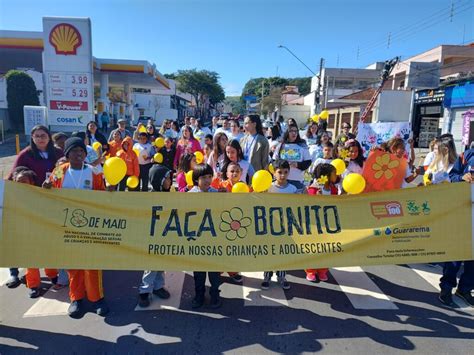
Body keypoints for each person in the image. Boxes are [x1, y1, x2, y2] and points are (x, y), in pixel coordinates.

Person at [44, 137, 109, 317]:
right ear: (67, 154)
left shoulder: (94, 172)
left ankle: (97, 299)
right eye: (74, 151)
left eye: (81, 151)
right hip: (67, 227)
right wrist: (46, 187)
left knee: (92, 264)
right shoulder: (59, 171)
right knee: (73, 265)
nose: (79, 154)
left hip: (90, 227)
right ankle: (76, 298)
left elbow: (103, 195)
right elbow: (48, 190)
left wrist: (109, 191)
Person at [438, 148, 474, 307]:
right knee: (455, 253)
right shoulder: (467, 156)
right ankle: (446, 288)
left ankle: (465, 289)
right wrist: (462, 177)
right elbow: (450, 176)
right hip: (463, 211)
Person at [137, 164, 172, 307]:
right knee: (151, 265)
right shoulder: (151, 197)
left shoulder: (170, 194)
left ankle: (158, 287)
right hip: (152, 236)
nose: (170, 181)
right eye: (168, 178)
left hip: (165, 235)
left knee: (161, 263)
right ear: (159, 180)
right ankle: (144, 291)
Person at [188, 163, 222, 308]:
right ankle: (199, 295)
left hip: (214, 241)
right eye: (203, 177)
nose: (207, 180)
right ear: (196, 179)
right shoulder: (190, 196)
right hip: (198, 241)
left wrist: (226, 197)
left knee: (214, 273)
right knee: (199, 273)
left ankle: (215, 295)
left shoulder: (216, 193)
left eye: (209, 176)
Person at [262, 159, 294, 290]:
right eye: (279, 172)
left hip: (286, 227)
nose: (282, 175)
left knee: (283, 252)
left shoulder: (292, 189)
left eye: (285, 172)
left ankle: (281, 276)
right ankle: (267, 277)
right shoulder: (269, 187)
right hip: (271, 226)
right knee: (270, 252)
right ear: (273, 173)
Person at [305, 163, 339, 282]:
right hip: (315, 225)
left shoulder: (333, 188)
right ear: (327, 176)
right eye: (334, 173)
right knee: (314, 248)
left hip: (329, 224)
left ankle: (322, 270)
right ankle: (310, 270)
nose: (337, 175)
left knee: (327, 248)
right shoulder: (313, 189)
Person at [273, 126, 311, 192]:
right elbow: (274, 161)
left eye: (296, 131)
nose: (294, 133)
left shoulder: (302, 146)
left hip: (297, 180)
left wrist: (297, 165)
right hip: (282, 180)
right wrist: (282, 165)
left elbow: (308, 162)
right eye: (291, 131)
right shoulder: (281, 145)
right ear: (287, 133)